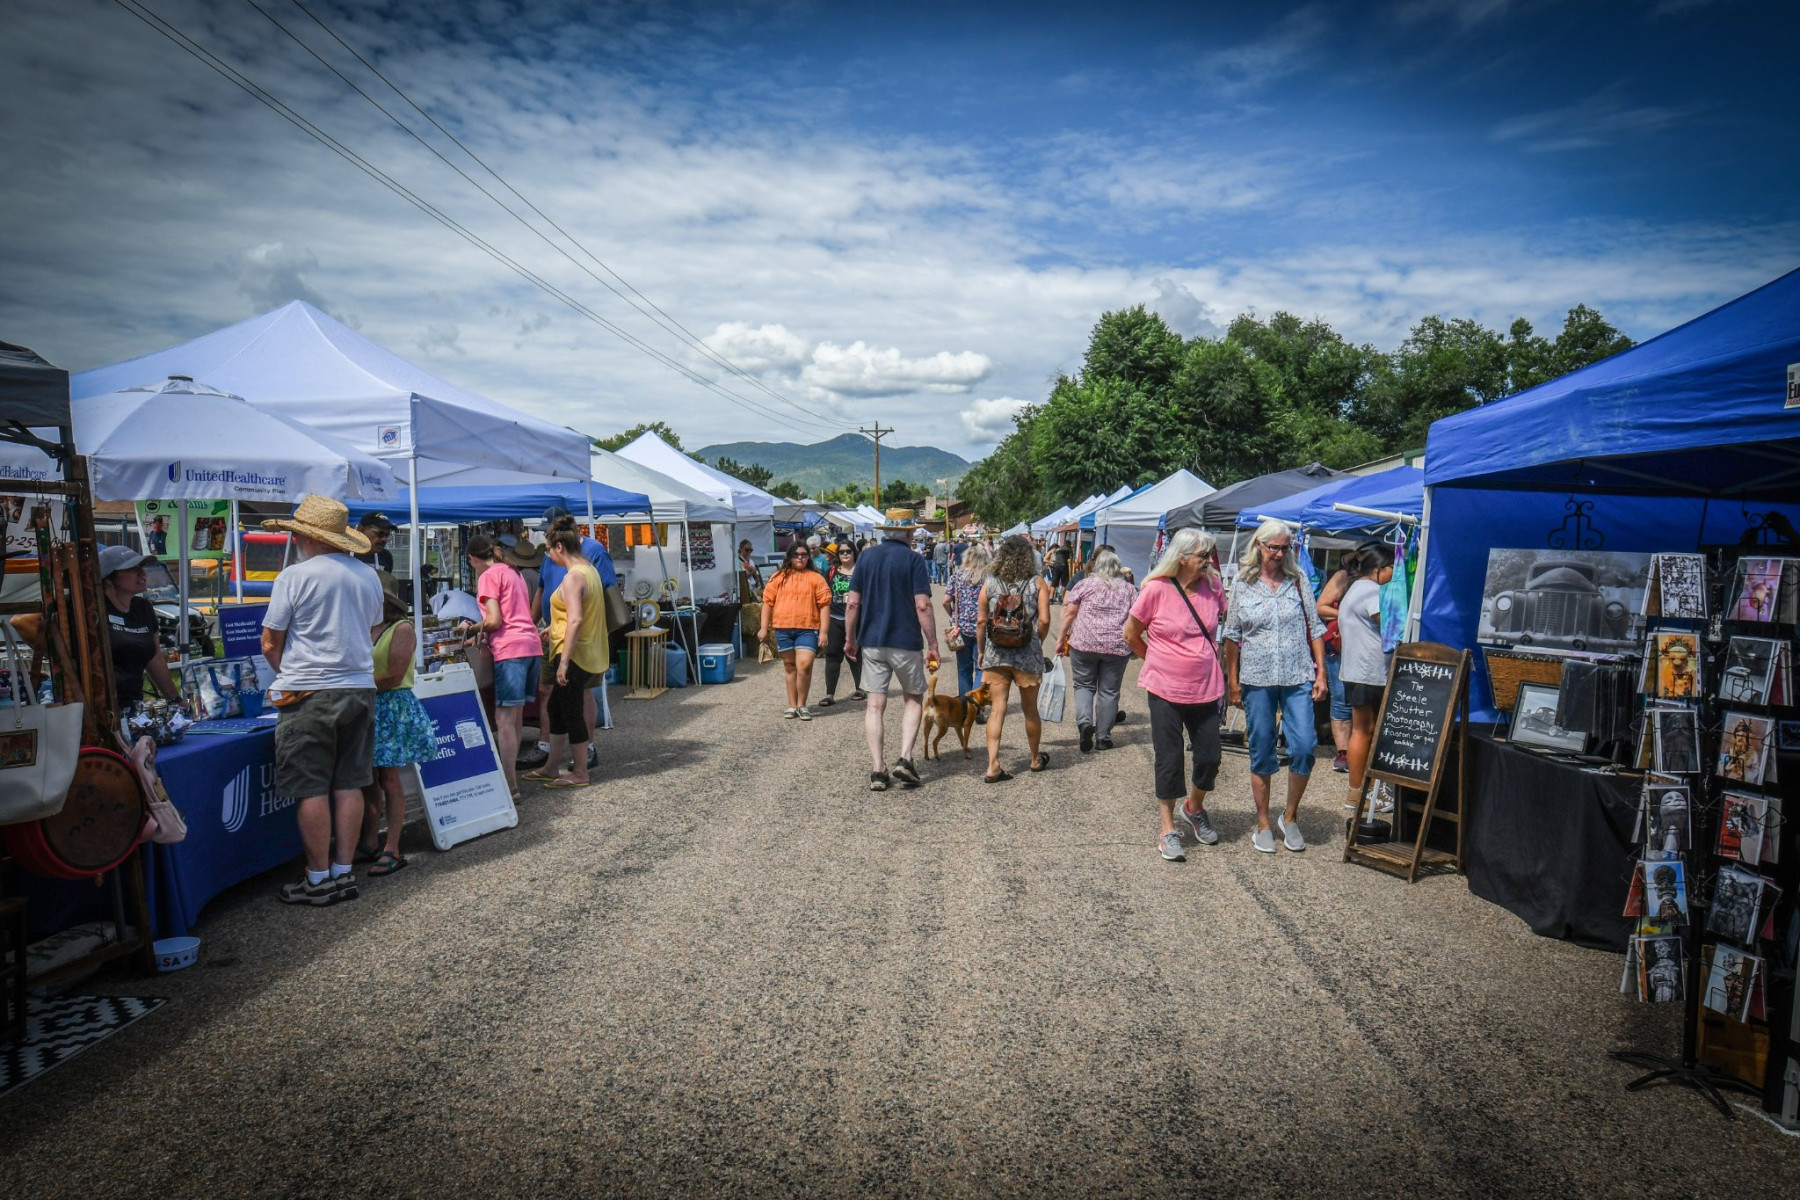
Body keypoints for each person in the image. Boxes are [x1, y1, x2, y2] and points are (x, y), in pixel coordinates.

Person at [260, 495, 384, 906]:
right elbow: (373, 630)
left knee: (312, 787)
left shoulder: (294, 577)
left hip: (309, 690)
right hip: (359, 687)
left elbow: (269, 642)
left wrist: (289, 673)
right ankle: (343, 872)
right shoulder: (367, 575)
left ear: (305, 536)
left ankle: (317, 878)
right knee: (349, 782)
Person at [1222, 519, 1328, 854]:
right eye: (1274, 548)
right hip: (1257, 677)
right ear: (1258, 546)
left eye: (1285, 548)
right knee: (1262, 746)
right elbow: (1233, 635)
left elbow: (1315, 628)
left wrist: (1321, 673)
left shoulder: (1298, 582)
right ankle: (1263, 822)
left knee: (1305, 746)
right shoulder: (1242, 583)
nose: (1280, 554)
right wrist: (1232, 681)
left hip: (1297, 675)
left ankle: (1291, 816)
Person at [1123, 528, 1227, 861]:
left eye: (1211, 555)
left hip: (1206, 686)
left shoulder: (1213, 587)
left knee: (1210, 756)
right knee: (1170, 758)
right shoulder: (1155, 589)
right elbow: (1130, 634)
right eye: (1203, 556)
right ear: (1181, 558)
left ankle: (1193, 807)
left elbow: (1224, 623)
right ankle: (1167, 828)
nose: (1209, 562)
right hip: (1165, 687)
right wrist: (1154, 659)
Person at [844, 517, 939, 791]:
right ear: (909, 533)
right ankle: (905, 759)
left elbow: (853, 603)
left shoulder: (866, 557)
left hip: (872, 641)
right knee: (913, 698)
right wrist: (932, 643)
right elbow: (922, 605)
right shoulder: (913, 560)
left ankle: (878, 770)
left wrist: (851, 638)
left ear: (886, 532)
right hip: (905, 641)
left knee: (874, 705)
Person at [356, 572, 435, 878]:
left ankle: (392, 846)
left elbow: (393, 675)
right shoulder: (366, 625)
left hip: (389, 707)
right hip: (368, 705)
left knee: (389, 779)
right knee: (370, 779)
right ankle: (370, 841)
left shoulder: (402, 628)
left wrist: (353, 685)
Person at [463, 533, 542, 798]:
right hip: (531, 646)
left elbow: (495, 620)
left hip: (511, 649)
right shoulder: (512, 571)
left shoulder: (488, 576)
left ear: (472, 559)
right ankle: (511, 782)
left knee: (504, 720)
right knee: (515, 718)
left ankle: (510, 786)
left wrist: (471, 627)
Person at [530, 523, 608, 788]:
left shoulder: (573, 576)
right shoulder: (589, 570)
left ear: (559, 547)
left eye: (550, 550)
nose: (550, 556)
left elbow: (575, 620)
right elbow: (579, 612)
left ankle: (580, 773)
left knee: (571, 709)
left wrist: (563, 661)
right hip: (580, 648)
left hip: (574, 652)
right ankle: (552, 767)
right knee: (556, 707)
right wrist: (553, 626)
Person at [976, 534, 1054, 782]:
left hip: (996, 652)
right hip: (1026, 655)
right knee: (1030, 710)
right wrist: (1036, 642)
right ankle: (1034, 759)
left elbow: (980, 620)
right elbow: (1044, 620)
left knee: (997, 710)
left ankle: (993, 765)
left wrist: (980, 650)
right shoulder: (1037, 582)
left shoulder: (990, 583)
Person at [1338, 541, 1396, 815]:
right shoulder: (1372, 591)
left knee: (1363, 729)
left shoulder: (1354, 589)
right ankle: (1360, 790)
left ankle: (1358, 791)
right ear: (1380, 569)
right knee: (1364, 730)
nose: (1394, 575)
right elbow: (1389, 624)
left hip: (1356, 670)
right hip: (1370, 672)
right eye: (1392, 569)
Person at [1058, 547, 1136, 754]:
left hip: (1084, 643)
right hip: (1116, 646)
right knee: (1109, 692)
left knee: (1083, 686)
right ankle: (1103, 738)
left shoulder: (1085, 584)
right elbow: (1138, 617)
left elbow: (1069, 613)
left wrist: (1060, 639)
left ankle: (1085, 723)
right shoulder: (1128, 589)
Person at [99, 544, 180, 712]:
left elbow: (155, 658)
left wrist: (176, 700)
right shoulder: (93, 610)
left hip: (133, 706)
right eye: (132, 569)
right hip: (99, 710)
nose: (142, 573)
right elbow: (31, 621)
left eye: (142, 567)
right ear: (109, 577)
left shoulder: (143, 608)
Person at [759, 543, 832, 720]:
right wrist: (763, 628)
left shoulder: (816, 578)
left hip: (808, 628)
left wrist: (824, 632)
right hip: (783, 627)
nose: (800, 558)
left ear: (809, 557)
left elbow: (825, 605)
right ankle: (792, 705)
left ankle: (802, 704)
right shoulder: (778, 577)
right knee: (790, 667)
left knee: (805, 665)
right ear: (790, 557)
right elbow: (768, 603)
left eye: (804, 555)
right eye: (796, 555)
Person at [1314, 560, 1354, 773]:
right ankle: (1343, 752)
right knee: (1341, 698)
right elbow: (1321, 607)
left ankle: (1359, 751)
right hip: (1339, 646)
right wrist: (1351, 615)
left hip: (1368, 649)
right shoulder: (1343, 576)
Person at [942, 542, 992, 702]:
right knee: (980, 667)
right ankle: (976, 704)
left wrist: (953, 615)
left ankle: (964, 705)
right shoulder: (988, 578)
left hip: (961, 628)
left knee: (963, 669)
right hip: (982, 627)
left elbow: (945, 601)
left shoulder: (956, 576)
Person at [820, 543, 865, 707]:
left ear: (854, 553)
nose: (845, 554)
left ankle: (860, 689)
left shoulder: (861, 572)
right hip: (834, 618)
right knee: (832, 655)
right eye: (841, 552)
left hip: (856, 620)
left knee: (855, 655)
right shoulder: (830, 572)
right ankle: (830, 694)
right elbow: (823, 595)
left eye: (848, 551)